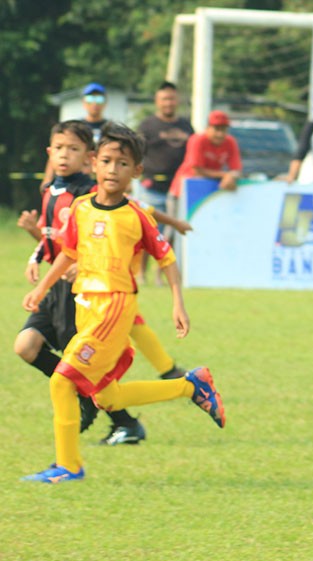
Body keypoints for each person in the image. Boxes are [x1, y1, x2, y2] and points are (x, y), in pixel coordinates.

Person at [20, 122, 225, 483]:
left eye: (124, 164)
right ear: (95, 163)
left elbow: (167, 260)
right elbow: (68, 254)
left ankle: (68, 466)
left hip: (114, 307)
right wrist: (41, 289)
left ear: (137, 172)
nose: (114, 170)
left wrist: (178, 304)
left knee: (63, 380)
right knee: (108, 398)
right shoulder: (82, 208)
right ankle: (191, 385)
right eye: (108, 161)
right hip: (87, 307)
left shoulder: (136, 216)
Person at [137, 81, 195, 283]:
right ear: (157, 101)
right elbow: (136, 154)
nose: (168, 103)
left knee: (169, 234)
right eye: (164, 99)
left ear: (177, 100)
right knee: (147, 232)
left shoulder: (186, 125)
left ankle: (161, 275)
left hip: (177, 190)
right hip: (151, 188)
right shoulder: (147, 126)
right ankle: (141, 273)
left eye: (171, 98)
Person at [40, 83, 109, 191]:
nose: (94, 103)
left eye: (99, 99)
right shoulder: (75, 128)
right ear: (84, 102)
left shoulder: (109, 129)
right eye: (90, 98)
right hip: (73, 181)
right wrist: (47, 179)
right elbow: (55, 152)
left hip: (99, 181)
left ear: (105, 103)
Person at [169, 110, 242, 205]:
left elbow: (236, 170)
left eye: (223, 129)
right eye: (216, 129)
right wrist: (225, 175)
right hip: (183, 192)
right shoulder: (197, 140)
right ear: (207, 128)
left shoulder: (230, 142)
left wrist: (232, 176)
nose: (220, 134)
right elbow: (197, 171)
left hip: (209, 193)